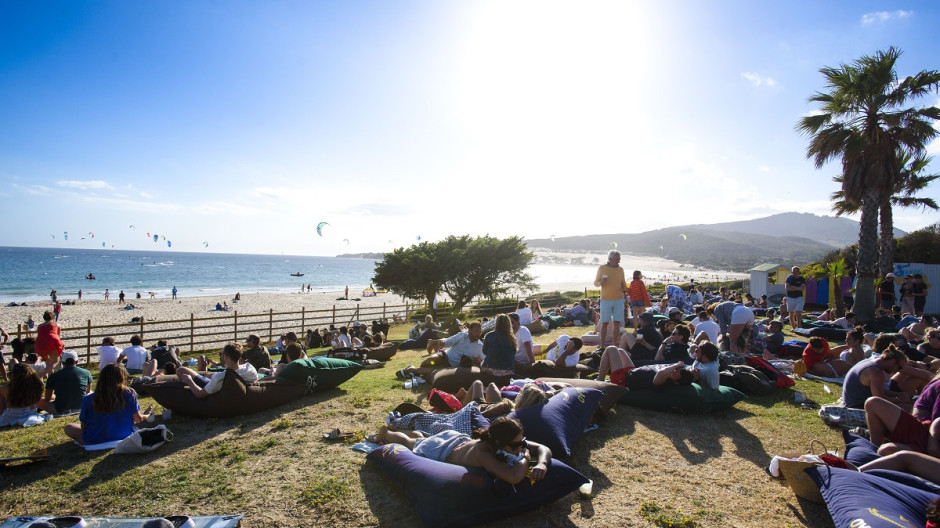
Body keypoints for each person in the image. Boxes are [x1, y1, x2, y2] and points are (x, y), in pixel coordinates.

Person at [370, 416, 551, 485]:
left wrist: (542, 463)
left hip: (459, 440)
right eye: (515, 446)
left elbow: (543, 447)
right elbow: (513, 477)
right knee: (412, 443)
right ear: (499, 443)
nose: (520, 448)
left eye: (522, 443)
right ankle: (386, 433)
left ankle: (405, 431)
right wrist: (526, 455)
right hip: (442, 450)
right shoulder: (483, 455)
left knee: (420, 438)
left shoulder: (509, 442)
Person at [64, 364, 153, 445]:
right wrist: (147, 415)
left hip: (95, 439)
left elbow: (84, 425)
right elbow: (138, 419)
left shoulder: (88, 399)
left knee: (69, 427)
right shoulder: (129, 394)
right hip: (123, 435)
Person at [399, 322, 485, 380]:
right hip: (445, 355)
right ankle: (417, 372)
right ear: (469, 331)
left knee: (430, 370)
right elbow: (448, 342)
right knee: (428, 361)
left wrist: (479, 361)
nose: (478, 334)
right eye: (476, 332)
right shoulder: (461, 336)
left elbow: (484, 361)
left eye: (480, 332)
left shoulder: (480, 346)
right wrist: (442, 342)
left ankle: (410, 370)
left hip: (452, 366)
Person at [863, 396, 940, 456]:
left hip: (924, 453)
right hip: (922, 431)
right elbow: (937, 420)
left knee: (886, 450)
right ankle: (874, 448)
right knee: (872, 403)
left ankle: (874, 455)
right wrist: (933, 438)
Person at [175, 343, 258, 398]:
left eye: (220, 354)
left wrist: (189, 381)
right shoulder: (250, 369)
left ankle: (202, 370)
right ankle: (203, 370)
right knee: (208, 375)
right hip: (219, 381)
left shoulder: (219, 378)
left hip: (211, 386)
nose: (220, 356)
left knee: (181, 370)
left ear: (226, 357)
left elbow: (200, 394)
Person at [597, 346, 694, 390]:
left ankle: (600, 379)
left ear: (676, 382)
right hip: (631, 371)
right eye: (676, 370)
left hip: (623, 379)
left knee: (611, 349)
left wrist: (675, 365)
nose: (674, 370)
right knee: (620, 350)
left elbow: (661, 372)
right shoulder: (670, 375)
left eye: (675, 372)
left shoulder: (662, 380)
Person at [842, 345, 908, 409]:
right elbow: (879, 399)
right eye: (899, 368)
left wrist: (898, 394)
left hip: (850, 403)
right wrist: (899, 399)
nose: (897, 371)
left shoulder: (868, 362)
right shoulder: (876, 371)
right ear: (893, 361)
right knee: (908, 408)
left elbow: (878, 390)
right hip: (857, 407)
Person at [594, 250, 628, 348]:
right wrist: (601, 282)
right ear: (610, 259)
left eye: (619, 259)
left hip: (619, 299)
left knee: (617, 323)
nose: (619, 261)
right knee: (604, 323)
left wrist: (625, 291)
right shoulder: (602, 268)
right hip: (606, 300)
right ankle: (602, 345)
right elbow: (595, 283)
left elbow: (623, 283)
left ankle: (614, 344)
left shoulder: (620, 269)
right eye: (617, 259)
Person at [43, 351, 93, 415]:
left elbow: (47, 398)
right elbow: (87, 391)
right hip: (81, 407)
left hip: (60, 409)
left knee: (40, 401)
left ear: (62, 362)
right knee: (91, 392)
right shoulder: (86, 372)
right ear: (77, 361)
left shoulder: (54, 376)